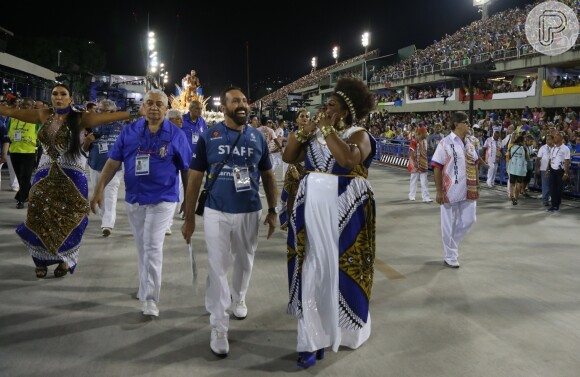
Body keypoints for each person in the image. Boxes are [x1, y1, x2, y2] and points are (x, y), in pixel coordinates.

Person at [282, 77, 377, 368]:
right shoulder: (315, 134)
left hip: (345, 210)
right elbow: (288, 156)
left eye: (332, 105)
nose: (325, 109)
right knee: (309, 269)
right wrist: (305, 131)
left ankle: (339, 330)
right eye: (325, 104)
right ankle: (310, 340)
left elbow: (347, 160)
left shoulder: (359, 134)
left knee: (339, 272)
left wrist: (325, 129)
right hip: (310, 207)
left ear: (346, 112)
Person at [181, 86, 278, 358]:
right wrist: (189, 218)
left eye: (245, 100)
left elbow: (268, 175)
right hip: (216, 211)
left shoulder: (258, 137)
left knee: (245, 261)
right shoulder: (208, 137)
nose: (243, 105)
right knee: (218, 265)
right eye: (236, 101)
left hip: (249, 210)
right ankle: (219, 325)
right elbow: (195, 179)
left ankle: (240, 297)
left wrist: (273, 210)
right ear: (224, 108)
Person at [0, 83, 133, 278]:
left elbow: (110, 117)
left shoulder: (80, 117)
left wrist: (136, 113)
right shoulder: (43, 115)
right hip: (44, 177)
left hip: (73, 177)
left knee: (71, 219)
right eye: (55, 94)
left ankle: (64, 260)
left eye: (63, 94)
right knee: (39, 218)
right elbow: (11, 112)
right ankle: (41, 261)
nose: (58, 97)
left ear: (70, 98)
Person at [90, 89, 191, 317]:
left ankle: (150, 299)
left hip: (163, 198)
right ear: (143, 107)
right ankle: (145, 286)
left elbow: (186, 170)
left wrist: (188, 201)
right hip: (135, 198)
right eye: (149, 103)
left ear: (166, 108)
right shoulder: (129, 132)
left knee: (153, 246)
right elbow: (113, 162)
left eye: (159, 104)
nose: (154, 107)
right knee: (142, 247)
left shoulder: (176, 135)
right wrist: (98, 190)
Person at [431, 111, 479, 269]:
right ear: (456, 124)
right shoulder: (445, 143)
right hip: (450, 189)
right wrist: (439, 191)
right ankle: (450, 255)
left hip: (469, 188)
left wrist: (477, 183)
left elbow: (475, 162)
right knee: (447, 224)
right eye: (465, 122)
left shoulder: (471, 143)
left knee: (469, 220)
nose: (468, 124)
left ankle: (452, 247)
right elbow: (437, 167)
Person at [83, 99, 124, 236]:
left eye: (103, 111)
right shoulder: (92, 126)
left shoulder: (121, 128)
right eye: (98, 110)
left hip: (114, 169)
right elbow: (84, 148)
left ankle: (107, 224)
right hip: (95, 166)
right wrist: (87, 142)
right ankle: (104, 217)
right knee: (98, 193)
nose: (99, 113)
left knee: (110, 195)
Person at [1, 97, 39, 209]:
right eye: (22, 104)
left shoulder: (36, 119)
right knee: (20, 177)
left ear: (32, 107)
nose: (24, 107)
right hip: (15, 151)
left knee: (25, 176)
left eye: (27, 105)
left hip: (29, 152)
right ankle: (32, 194)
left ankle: (20, 200)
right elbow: (8, 133)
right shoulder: (13, 118)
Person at [278, 108, 309, 231]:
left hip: (308, 170)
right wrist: (293, 169)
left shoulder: (312, 135)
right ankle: (290, 222)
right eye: (302, 116)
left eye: (307, 116)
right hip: (294, 169)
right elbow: (289, 155)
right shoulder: (292, 135)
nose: (305, 118)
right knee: (291, 197)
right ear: (296, 120)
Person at [407, 126, 432, 202]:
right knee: (414, 179)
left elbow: (425, 151)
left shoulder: (425, 141)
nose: (426, 133)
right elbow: (411, 152)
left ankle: (425, 197)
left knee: (424, 180)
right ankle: (411, 195)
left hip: (423, 162)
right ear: (420, 133)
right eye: (425, 132)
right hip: (415, 163)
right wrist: (414, 161)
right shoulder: (414, 140)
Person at [547, 132, 570, 212]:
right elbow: (550, 159)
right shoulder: (553, 148)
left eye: (556, 137)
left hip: (560, 171)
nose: (554, 138)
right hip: (552, 170)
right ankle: (554, 205)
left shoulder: (565, 148)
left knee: (559, 189)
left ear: (561, 138)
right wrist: (548, 169)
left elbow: (566, 161)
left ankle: (557, 203)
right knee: (552, 188)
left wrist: (566, 173)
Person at [506, 135, 529, 205]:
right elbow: (527, 158)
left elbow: (509, 157)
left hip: (513, 168)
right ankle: (516, 198)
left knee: (512, 183)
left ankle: (512, 196)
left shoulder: (512, 147)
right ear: (521, 141)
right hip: (520, 169)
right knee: (518, 184)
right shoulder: (524, 148)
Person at [535, 134, 554, 206]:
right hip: (544, 169)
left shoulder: (555, 148)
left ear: (552, 140)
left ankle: (553, 199)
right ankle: (545, 200)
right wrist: (537, 168)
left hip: (554, 169)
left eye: (549, 139)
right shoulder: (542, 148)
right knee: (545, 185)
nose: (547, 141)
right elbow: (538, 159)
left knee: (552, 185)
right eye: (546, 139)